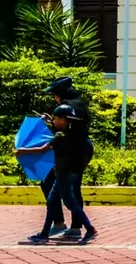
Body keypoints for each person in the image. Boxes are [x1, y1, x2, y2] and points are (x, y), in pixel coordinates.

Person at [16, 104, 97, 244]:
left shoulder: (60, 136)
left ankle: (90, 229)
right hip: (66, 173)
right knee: (53, 202)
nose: (53, 121)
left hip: (63, 175)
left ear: (64, 119)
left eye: (55, 119)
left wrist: (23, 150)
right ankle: (44, 234)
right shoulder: (75, 135)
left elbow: (42, 149)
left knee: (69, 203)